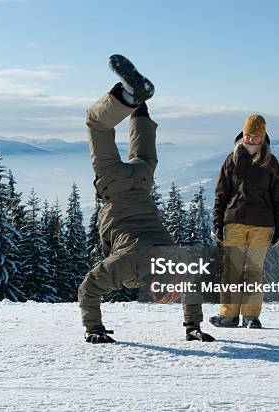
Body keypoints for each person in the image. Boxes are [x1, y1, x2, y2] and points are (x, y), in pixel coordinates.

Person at [78, 54, 215, 343]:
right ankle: (128, 97)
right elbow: (88, 288)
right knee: (96, 124)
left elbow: (192, 288)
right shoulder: (127, 264)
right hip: (114, 186)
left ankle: (140, 104)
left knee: (143, 156)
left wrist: (193, 325)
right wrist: (94, 328)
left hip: (142, 182)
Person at [209, 114, 279, 329]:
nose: (251, 140)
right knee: (232, 270)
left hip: (263, 224)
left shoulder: (271, 162)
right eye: (247, 136)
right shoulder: (232, 159)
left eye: (255, 136)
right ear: (242, 136)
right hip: (234, 220)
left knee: (254, 270)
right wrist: (218, 222)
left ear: (262, 138)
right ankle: (229, 316)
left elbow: (278, 196)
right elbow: (221, 194)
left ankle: (251, 316)